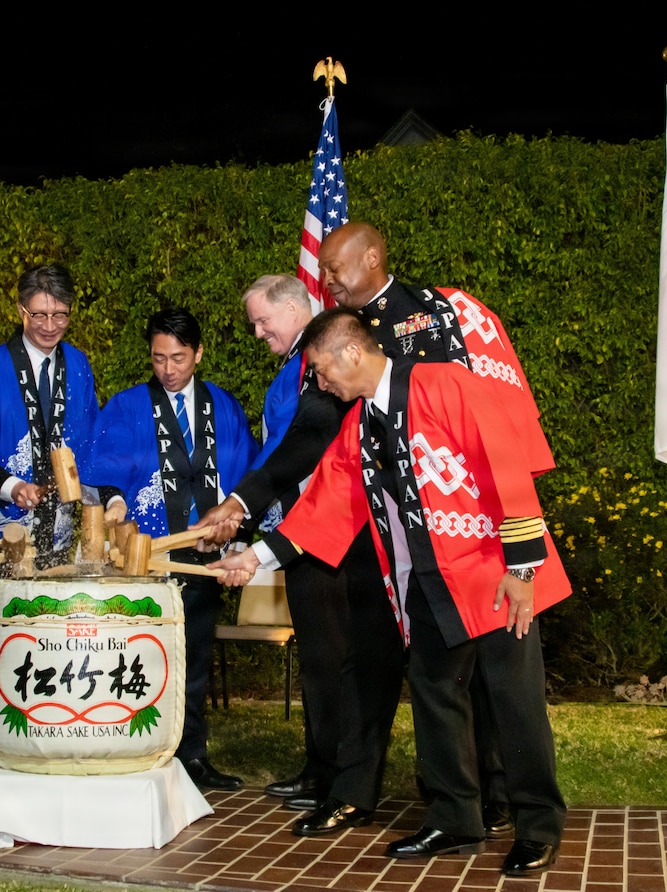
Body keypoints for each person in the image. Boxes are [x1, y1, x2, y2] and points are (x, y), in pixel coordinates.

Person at [198, 223, 552, 835]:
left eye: (335, 269)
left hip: (484, 553)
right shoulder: (358, 416)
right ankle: (451, 814)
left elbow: (505, 455)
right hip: (409, 554)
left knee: (509, 693)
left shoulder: (446, 337)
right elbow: (325, 485)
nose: (327, 281)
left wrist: (522, 564)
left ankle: (530, 819)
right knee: (430, 684)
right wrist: (254, 551)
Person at [232, 274, 406, 836]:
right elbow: (306, 462)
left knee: (351, 662)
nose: (258, 333)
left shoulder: (330, 368)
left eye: (263, 321)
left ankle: (347, 775)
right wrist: (253, 530)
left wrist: (242, 506)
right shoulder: (306, 375)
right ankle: (331, 773)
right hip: (312, 531)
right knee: (330, 662)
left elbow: (310, 441)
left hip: (361, 540)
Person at [85, 306, 258, 791]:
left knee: (195, 659)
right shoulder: (126, 405)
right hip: (149, 555)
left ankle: (192, 756)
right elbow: (108, 468)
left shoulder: (223, 407)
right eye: (159, 358)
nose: (168, 369)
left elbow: (245, 478)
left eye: (178, 358)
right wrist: (116, 500)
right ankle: (136, 750)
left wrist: (235, 533)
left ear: (199, 354)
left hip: (204, 554)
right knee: (143, 657)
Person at [0, 264, 108, 572]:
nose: (50, 326)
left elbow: (92, 443)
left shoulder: (78, 365)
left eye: (60, 315)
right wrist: (14, 487)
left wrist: (105, 505)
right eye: (39, 314)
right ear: (20, 309)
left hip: (58, 537)